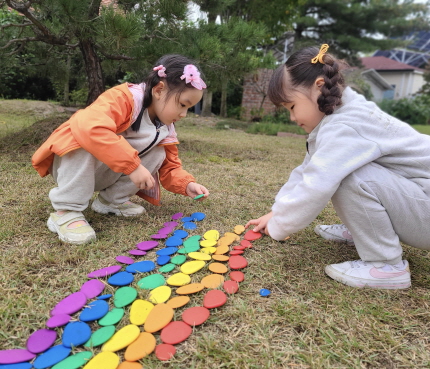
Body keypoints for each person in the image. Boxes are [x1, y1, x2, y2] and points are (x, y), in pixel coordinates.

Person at [245, 44, 430, 289]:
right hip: (419, 202)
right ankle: (364, 230)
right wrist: (276, 212)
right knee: (344, 170)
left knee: (348, 176)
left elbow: (315, 184)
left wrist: (280, 226)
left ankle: (386, 265)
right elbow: (306, 170)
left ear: (318, 86)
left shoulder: (345, 126)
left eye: (291, 107)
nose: (292, 117)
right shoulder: (341, 114)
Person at [32, 54, 209, 245]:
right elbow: (90, 127)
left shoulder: (165, 127)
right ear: (159, 90)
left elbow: (170, 167)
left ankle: (110, 201)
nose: (183, 114)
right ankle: (65, 210)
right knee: (84, 138)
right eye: (182, 104)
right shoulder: (125, 98)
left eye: (188, 108)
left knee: (159, 152)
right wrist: (132, 166)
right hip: (74, 167)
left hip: (106, 172)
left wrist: (186, 184)